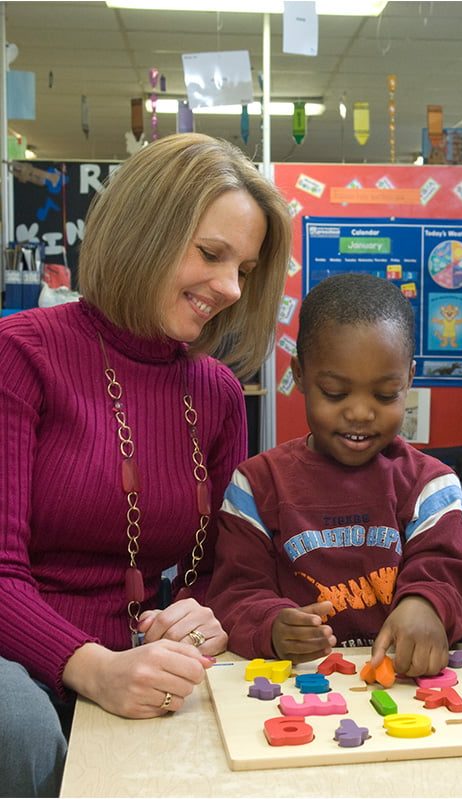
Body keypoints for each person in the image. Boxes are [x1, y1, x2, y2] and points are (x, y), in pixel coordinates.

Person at [0, 132, 291, 797]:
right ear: (143, 233)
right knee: (19, 728)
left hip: (139, 661)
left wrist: (202, 612)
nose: (229, 288)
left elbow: (219, 570)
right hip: (18, 651)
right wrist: (93, 667)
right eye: (211, 254)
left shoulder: (217, 393)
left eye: (244, 270)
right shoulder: (20, 355)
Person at [207, 272, 462, 678]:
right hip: (299, 683)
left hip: (401, 680)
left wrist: (424, 605)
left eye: (385, 395)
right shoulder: (256, 485)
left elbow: (447, 569)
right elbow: (235, 591)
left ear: (408, 379)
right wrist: (272, 624)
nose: (360, 413)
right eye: (335, 392)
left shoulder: (431, 486)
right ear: (300, 374)